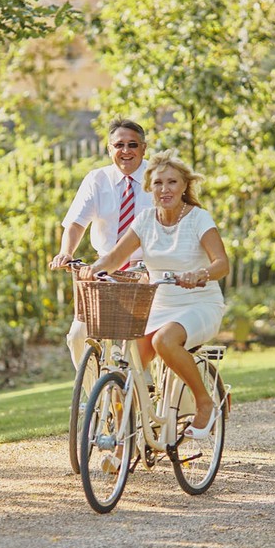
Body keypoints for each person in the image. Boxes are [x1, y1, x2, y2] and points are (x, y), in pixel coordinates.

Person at [79, 149, 229, 438]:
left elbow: (222, 264)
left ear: (185, 185)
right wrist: (93, 268)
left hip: (199, 303)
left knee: (164, 340)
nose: (165, 189)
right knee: (127, 362)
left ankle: (204, 403)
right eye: (158, 183)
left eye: (172, 182)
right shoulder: (145, 220)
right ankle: (126, 438)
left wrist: (201, 274)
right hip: (158, 304)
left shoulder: (198, 218)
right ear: (149, 188)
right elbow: (113, 257)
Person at [50, 117, 148, 367]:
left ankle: (144, 386)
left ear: (143, 148)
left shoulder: (157, 179)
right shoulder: (97, 179)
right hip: (106, 272)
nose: (126, 151)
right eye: (119, 145)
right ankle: (95, 396)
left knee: (141, 341)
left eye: (133, 145)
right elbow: (76, 222)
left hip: (149, 271)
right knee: (77, 335)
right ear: (109, 149)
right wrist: (65, 252)